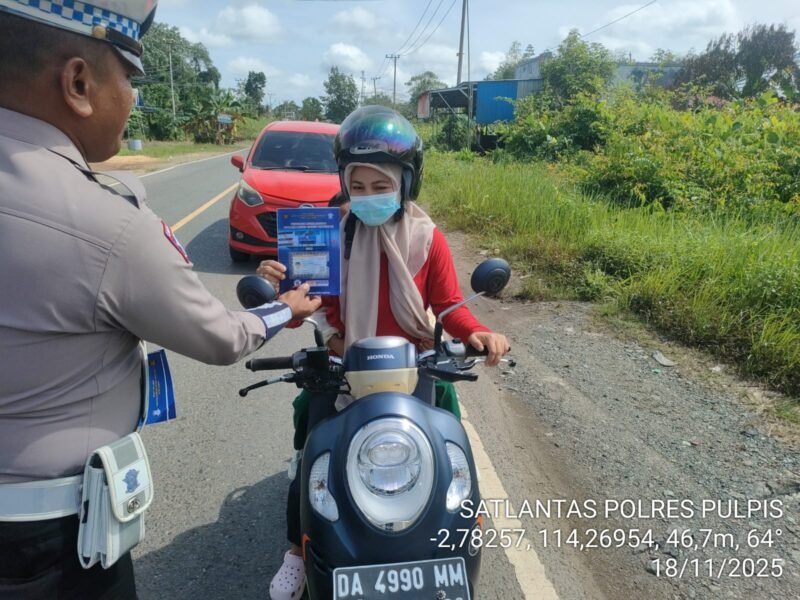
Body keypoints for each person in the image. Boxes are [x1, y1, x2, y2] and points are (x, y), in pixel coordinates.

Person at [0, 2, 321, 598]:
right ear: (78, 83)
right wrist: (285, 309)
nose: (132, 98)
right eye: (129, 78)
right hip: (44, 545)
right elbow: (221, 337)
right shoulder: (106, 221)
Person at [257, 105, 510, 600]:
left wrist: (479, 332)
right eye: (360, 186)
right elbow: (304, 309)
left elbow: (450, 306)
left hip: (414, 367)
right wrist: (280, 292)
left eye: (382, 186)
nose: (369, 197)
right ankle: (296, 547)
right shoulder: (328, 235)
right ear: (346, 184)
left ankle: (452, 532)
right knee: (312, 448)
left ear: (405, 183)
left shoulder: (427, 239)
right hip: (342, 365)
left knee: (449, 450)